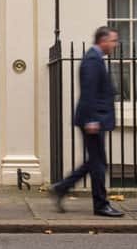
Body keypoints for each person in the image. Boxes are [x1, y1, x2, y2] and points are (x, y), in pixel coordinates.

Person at [49, 26, 124, 217]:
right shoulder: (92, 60)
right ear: (103, 40)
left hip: (95, 118)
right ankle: (100, 205)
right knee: (98, 164)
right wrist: (92, 120)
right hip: (93, 119)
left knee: (96, 162)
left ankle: (62, 188)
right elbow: (88, 92)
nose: (115, 45)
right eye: (113, 41)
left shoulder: (95, 58)